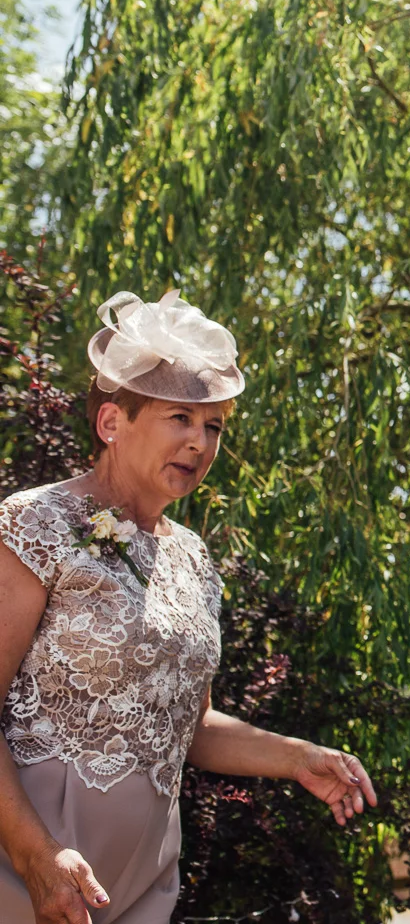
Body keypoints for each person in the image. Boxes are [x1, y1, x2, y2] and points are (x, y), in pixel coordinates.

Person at [0, 291, 378, 924]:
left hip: (144, 881)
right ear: (112, 422)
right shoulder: (33, 523)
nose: (200, 443)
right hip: (29, 870)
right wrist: (35, 856)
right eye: (180, 417)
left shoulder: (193, 557)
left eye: (214, 426)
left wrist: (298, 759)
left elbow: (190, 724)